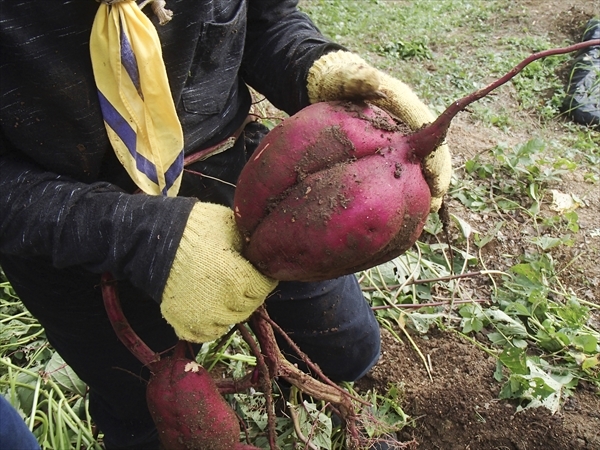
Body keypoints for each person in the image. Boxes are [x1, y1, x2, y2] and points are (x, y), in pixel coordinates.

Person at [0, 1, 451, 448]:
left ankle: (346, 419)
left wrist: (316, 68)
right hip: (68, 230)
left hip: (252, 182)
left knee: (344, 346)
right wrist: (139, 238)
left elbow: (265, 19)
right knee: (145, 418)